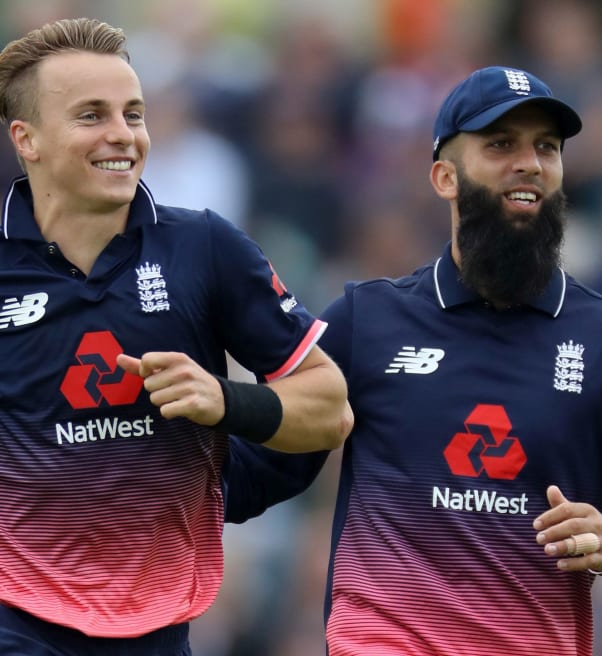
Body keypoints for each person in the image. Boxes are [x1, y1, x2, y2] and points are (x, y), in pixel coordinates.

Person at [0, 16, 351, 656]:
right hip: (2, 622)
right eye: (92, 115)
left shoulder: (207, 248)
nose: (124, 135)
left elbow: (329, 406)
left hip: (159, 628)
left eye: (133, 114)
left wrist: (227, 400)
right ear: (26, 138)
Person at [226, 65, 602, 655]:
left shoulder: (598, 333)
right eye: (502, 144)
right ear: (445, 177)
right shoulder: (365, 320)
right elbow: (250, 477)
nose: (529, 162)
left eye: (546, 148)